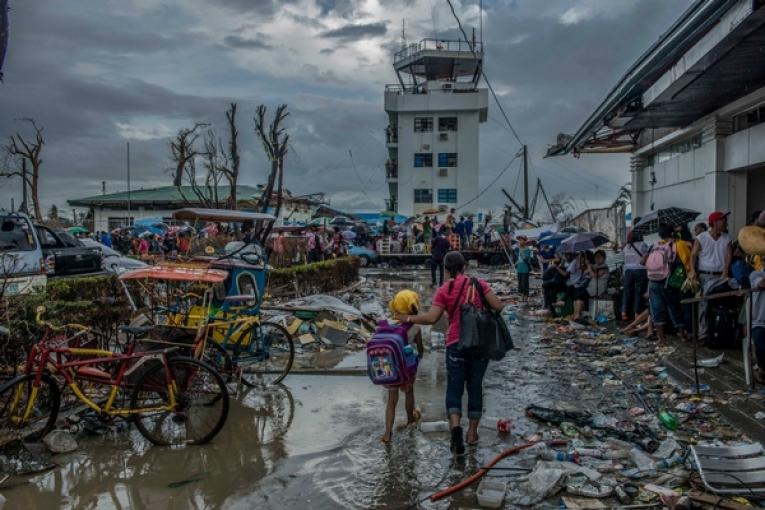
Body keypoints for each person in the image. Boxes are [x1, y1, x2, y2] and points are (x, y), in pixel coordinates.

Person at [396, 251, 504, 455]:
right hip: (480, 345)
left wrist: (407, 319)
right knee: (475, 387)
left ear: (445, 269)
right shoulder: (479, 284)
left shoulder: (444, 290)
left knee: (454, 388)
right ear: (464, 267)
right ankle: (472, 434)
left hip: (456, 343)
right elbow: (498, 306)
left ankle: (455, 428)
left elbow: (430, 319)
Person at [382, 290, 425, 443]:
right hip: (406, 369)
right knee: (409, 393)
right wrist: (418, 357)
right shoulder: (415, 328)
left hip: (390, 369)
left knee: (391, 401)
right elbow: (420, 349)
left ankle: (387, 433)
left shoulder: (387, 324)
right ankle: (410, 420)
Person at [688, 211, 733, 339]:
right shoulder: (701, 237)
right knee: (703, 304)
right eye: (723, 220)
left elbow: (728, 255)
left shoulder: (727, 238)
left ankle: (718, 331)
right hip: (705, 275)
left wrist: (725, 271)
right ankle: (703, 334)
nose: (726, 222)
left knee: (720, 303)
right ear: (715, 222)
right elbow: (693, 255)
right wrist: (692, 270)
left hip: (721, 276)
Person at [644, 223, 688, 343]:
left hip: (653, 281)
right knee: (674, 307)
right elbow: (683, 263)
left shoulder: (654, 245)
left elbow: (643, 261)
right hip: (668, 281)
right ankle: (682, 334)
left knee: (656, 309)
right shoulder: (676, 245)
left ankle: (661, 339)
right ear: (672, 232)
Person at [622, 227, 648, 321]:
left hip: (628, 271)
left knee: (627, 292)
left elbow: (624, 261)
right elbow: (646, 257)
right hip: (640, 270)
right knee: (639, 293)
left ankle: (624, 312)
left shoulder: (626, 247)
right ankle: (637, 314)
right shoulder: (643, 245)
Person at [749, 267, 765, 383]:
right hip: (760, 323)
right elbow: (762, 283)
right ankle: (761, 369)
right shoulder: (755, 275)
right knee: (761, 344)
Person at [515, 237, 532, 302]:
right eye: (519, 240)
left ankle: (526, 296)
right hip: (519, 269)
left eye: (521, 240)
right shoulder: (518, 249)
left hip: (525, 269)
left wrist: (520, 250)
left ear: (525, 241)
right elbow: (518, 258)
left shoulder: (527, 250)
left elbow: (525, 258)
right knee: (520, 284)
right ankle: (522, 295)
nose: (519, 241)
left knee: (524, 283)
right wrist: (515, 264)